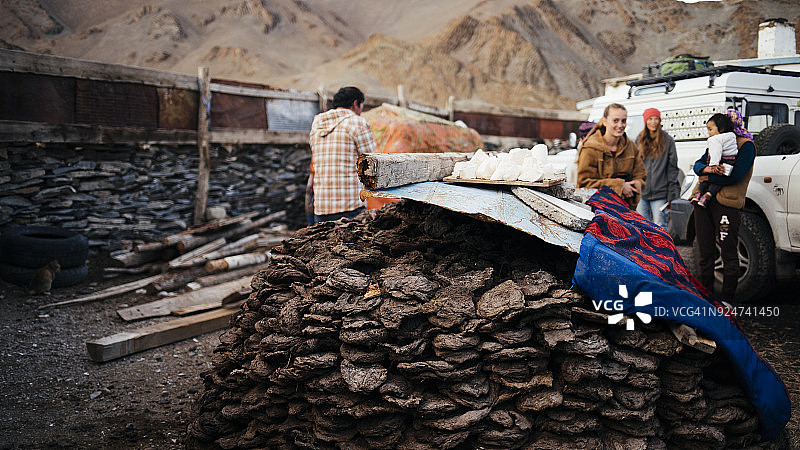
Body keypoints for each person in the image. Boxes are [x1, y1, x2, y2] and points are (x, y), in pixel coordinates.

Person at [691, 109, 755, 302]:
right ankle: (706, 298)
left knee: (728, 252)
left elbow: (736, 175)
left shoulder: (746, 146)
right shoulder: (716, 141)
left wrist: (706, 175)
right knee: (705, 252)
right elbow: (697, 165)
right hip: (702, 203)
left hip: (727, 204)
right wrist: (706, 170)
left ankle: (727, 300)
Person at [308, 86, 377, 223]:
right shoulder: (358, 123)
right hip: (350, 207)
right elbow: (373, 163)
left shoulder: (317, 125)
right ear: (355, 104)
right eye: (361, 107)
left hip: (321, 208)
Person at [577, 103, 646, 209]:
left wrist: (634, 185)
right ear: (604, 121)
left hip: (626, 209)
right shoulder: (590, 148)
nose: (620, 125)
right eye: (615, 120)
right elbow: (583, 183)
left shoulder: (631, 147)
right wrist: (619, 186)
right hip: (598, 210)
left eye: (623, 121)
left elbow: (641, 175)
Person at [635, 108, 679, 228]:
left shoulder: (668, 140)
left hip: (660, 193)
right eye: (650, 119)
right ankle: (644, 247)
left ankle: (661, 247)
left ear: (660, 121)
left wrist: (672, 194)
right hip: (642, 192)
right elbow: (634, 166)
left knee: (659, 226)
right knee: (641, 226)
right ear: (645, 121)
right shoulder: (639, 139)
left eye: (656, 119)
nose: (653, 122)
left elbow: (672, 169)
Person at [690, 113, 738, 207]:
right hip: (729, 163)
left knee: (706, 181)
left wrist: (713, 166)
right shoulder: (732, 137)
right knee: (715, 183)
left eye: (710, 129)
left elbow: (716, 153)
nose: (709, 133)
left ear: (722, 128)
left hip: (725, 201)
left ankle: (698, 194)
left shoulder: (715, 139)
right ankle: (708, 195)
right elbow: (698, 164)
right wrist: (705, 169)